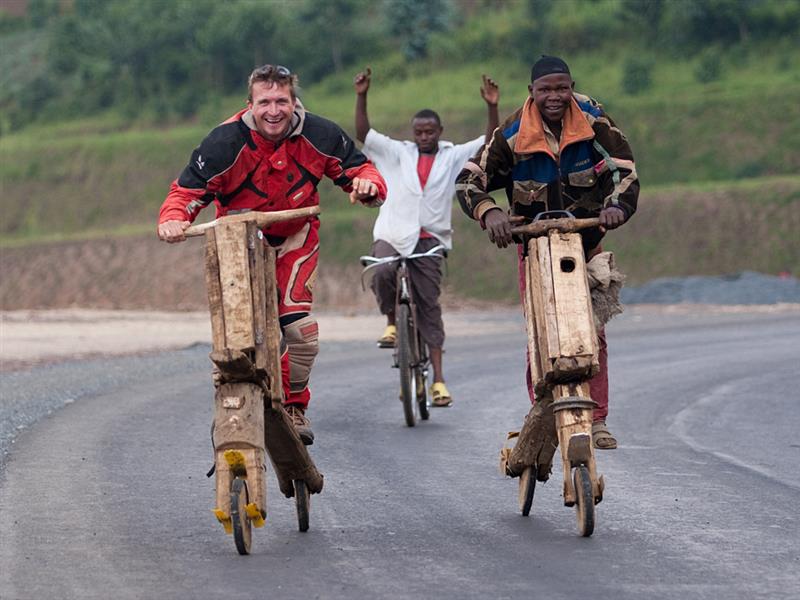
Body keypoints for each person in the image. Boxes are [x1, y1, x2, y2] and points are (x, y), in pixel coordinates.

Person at [158, 64, 387, 444]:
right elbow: (185, 193)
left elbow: (361, 171)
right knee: (239, 338)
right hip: (239, 239)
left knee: (300, 332)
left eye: (282, 101)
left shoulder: (321, 133)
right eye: (265, 102)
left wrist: (367, 187)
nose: (274, 111)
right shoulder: (223, 142)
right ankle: (234, 402)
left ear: (294, 102)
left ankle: (295, 406)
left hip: (296, 235)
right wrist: (172, 219)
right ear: (250, 105)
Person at [455, 56, 639, 448]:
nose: (555, 97)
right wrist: (490, 214)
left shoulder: (592, 119)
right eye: (546, 90)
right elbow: (469, 181)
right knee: (539, 332)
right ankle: (541, 411)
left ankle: (598, 417)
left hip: (585, 241)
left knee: (593, 330)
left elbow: (624, 170)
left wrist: (616, 206)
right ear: (531, 93)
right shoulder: (511, 132)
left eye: (562, 88)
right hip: (535, 248)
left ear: (571, 87)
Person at [353, 67, 500, 407]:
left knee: (429, 306)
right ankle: (392, 323)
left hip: (430, 239)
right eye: (418, 131)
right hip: (392, 231)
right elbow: (364, 133)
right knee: (384, 271)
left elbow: (489, 140)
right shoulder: (397, 152)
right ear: (412, 132)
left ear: (439, 132)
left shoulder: (451, 156)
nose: (423, 136)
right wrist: (361, 95)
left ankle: (439, 380)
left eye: (429, 131)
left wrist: (492, 106)